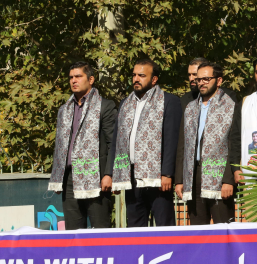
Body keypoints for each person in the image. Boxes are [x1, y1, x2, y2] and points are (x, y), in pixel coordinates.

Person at [110, 58, 182, 227]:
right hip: (131, 175)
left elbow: (172, 140)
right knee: (135, 228)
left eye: (141, 75)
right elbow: (117, 140)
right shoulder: (125, 103)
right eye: (134, 75)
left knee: (164, 226)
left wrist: (167, 173)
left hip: (157, 177)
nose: (136, 79)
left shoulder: (169, 101)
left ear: (154, 79)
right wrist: (115, 175)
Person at [48, 61, 117, 230]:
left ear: (91, 79)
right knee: (73, 234)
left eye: (78, 76)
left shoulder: (105, 106)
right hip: (70, 178)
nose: (73, 80)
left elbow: (113, 143)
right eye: (71, 77)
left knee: (100, 233)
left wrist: (109, 174)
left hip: (97, 178)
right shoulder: (64, 109)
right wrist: (58, 177)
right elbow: (61, 145)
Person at [175, 62, 241, 224]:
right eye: (199, 79)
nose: (201, 83)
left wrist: (228, 179)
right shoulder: (190, 107)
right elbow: (182, 144)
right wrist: (179, 179)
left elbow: (233, 144)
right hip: (194, 175)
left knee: (224, 229)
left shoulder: (231, 106)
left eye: (206, 79)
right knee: (198, 232)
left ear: (218, 81)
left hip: (219, 175)